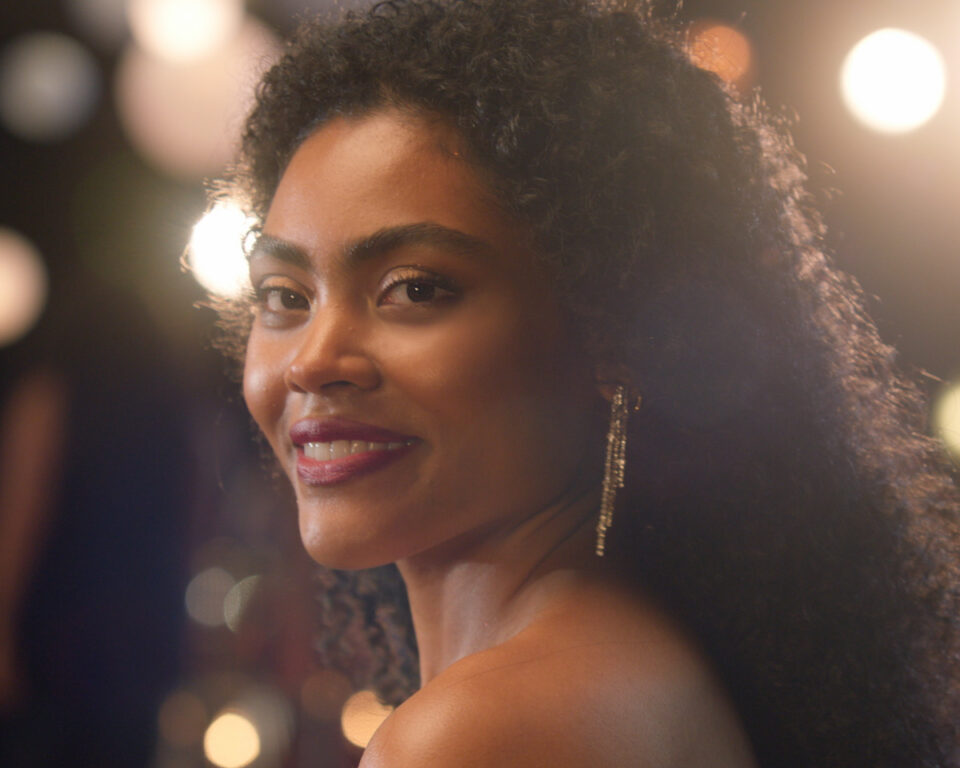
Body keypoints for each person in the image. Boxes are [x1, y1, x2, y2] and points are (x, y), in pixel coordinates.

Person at [213, 0, 960, 765]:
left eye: (415, 289)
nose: (310, 360)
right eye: (284, 297)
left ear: (609, 336)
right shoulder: (641, 669)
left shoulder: (479, 733)